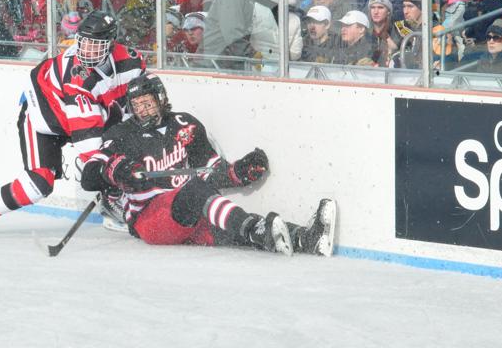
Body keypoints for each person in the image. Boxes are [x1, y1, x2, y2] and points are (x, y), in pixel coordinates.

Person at [79, 73, 335, 256]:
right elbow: (89, 176)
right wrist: (115, 171)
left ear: (160, 98)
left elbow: (209, 171)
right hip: (150, 220)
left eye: (147, 103)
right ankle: (253, 228)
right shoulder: (122, 134)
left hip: (190, 213)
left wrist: (238, 172)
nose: (142, 111)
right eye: (136, 106)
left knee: (231, 227)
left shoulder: (185, 124)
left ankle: (307, 239)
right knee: (198, 193)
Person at [0, 11, 146, 238]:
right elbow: (90, 149)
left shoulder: (131, 60)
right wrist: (106, 176)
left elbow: (143, 100)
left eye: (95, 45)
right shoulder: (77, 78)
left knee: (129, 142)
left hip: (83, 113)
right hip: (44, 116)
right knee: (38, 184)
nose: (87, 51)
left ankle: (117, 201)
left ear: (110, 44)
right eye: (84, 43)